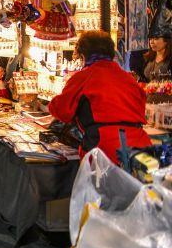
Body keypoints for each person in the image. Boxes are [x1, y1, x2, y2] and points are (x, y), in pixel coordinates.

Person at [49, 30, 151, 164]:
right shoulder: (129, 78)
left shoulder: (83, 77)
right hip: (141, 149)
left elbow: (61, 111)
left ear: (83, 55)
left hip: (104, 150)